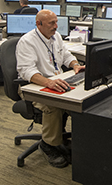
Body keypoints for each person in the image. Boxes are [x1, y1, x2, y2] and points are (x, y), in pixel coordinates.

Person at [15, 9, 85, 167]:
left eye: (56, 22)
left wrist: (75, 65)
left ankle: (63, 139)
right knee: (53, 104)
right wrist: (48, 82)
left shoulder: (56, 36)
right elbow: (27, 71)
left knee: (80, 101)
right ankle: (48, 145)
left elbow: (66, 55)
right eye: (51, 23)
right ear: (39, 24)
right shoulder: (27, 41)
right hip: (32, 85)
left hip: (55, 80)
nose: (56, 26)